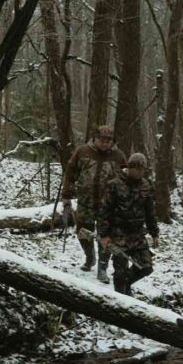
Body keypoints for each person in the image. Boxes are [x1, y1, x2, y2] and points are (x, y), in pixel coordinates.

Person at [62, 125, 127, 282]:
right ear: (95, 138)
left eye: (108, 141)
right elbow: (70, 173)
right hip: (85, 201)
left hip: (109, 205)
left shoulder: (119, 156)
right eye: (102, 140)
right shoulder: (82, 151)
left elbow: (126, 180)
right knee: (83, 231)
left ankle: (102, 268)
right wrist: (66, 195)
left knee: (106, 236)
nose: (105, 143)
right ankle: (90, 256)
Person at [97, 153, 159, 296]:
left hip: (138, 234)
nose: (140, 172)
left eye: (142, 170)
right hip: (119, 234)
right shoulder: (115, 185)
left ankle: (127, 284)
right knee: (120, 272)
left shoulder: (146, 185)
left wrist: (154, 233)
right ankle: (120, 299)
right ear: (130, 168)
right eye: (137, 169)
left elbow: (150, 212)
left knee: (146, 267)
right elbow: (104, 211)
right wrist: (104, 235)